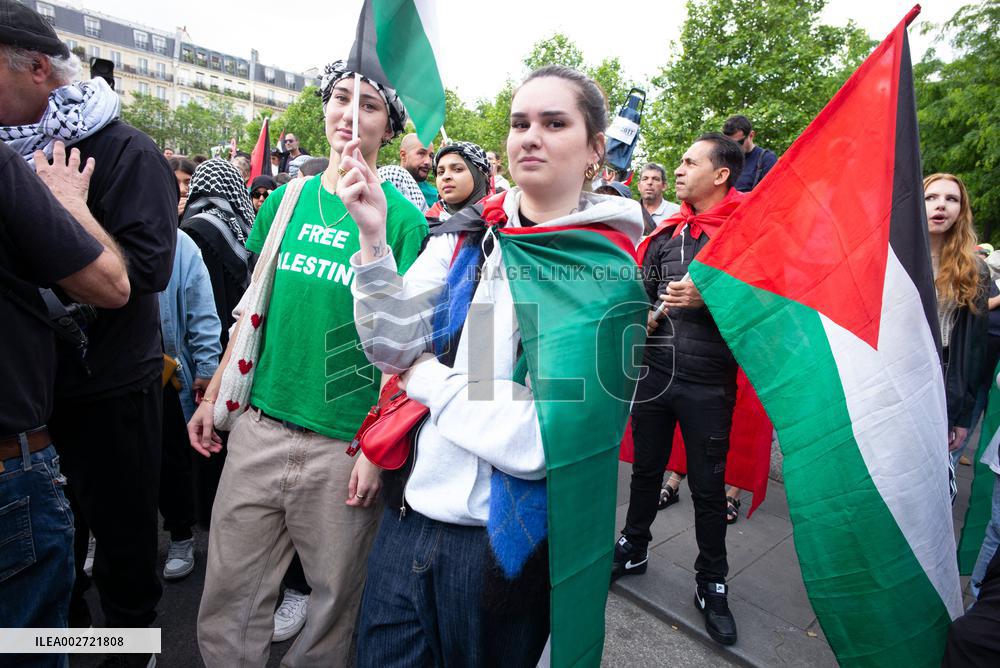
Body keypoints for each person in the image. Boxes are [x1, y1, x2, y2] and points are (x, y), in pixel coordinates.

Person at [347, 64, 645, 666]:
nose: (530, 135)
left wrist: (426, 378)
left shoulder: (608, 278)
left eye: (554, 123)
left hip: (498, 554)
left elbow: (540, 442)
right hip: (406, 523)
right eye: (520, 122)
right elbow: (389, 347)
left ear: (594, 151)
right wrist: (374, 242)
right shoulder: (465, 234)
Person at [187, 59, 426, 666]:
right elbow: (253, 310)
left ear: (389, 127)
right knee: (228, 596)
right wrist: (216, 393)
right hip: (260, 428)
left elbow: (404, 349)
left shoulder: (403, 220)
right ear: (323, 110)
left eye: (368, 105)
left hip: (344, 448)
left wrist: (377, 449)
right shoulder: (285, 202)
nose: (350, 114)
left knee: (331, 612)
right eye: (340, 98)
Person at [0, 8, 178, 662]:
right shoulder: (7, 155)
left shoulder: (124, 149)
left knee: (124, 556)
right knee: (57, 560)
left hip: (112, 393)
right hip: (34, 408)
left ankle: (134, 651)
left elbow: (148, 271)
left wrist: (69, 209)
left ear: (37, 66)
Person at [0, 138, 130, 667]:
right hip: (12, 463)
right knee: (30, 643)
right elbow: (114, 283)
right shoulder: (7, 169)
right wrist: (69, 204)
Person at [614, 133, 745, 647]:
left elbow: (765, 308)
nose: (680, 169)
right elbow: (641, 297)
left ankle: (711, 582)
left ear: (721, 175)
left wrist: (711, 296)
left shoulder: (744, 237)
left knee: (709, 490)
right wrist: (642, 318)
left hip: (709, 385)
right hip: (654, 378)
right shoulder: (667, 235)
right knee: (645, 472)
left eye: (691, 162)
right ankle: (633, 547)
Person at [180, 159, 257, 527]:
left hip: (208, 349)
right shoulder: (235, 228)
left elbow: (200, 304)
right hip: (238, 341)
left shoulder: (194, 229)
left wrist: (207, 364)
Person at [158, 227, 221, 581]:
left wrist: (207, 367)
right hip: (106, 376)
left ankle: (180, 535)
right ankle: (93, 535)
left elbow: (202, 311)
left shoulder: (180, 245)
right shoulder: (82, 230)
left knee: (172, 460)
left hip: (166, 372)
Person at [424, 141, 491, 223]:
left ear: (478, 174)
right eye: (440, 172)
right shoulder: (426, 224)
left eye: (458, 169)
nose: (445, 177)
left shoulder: (501, 220)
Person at [722, 115, 777, 192]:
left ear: (751, 135)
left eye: (739, 143)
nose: (734, 147)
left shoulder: (767, 159)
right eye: (729, 143)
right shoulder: (724, 160)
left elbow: (772, 192)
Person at [638, 162, 680, 228]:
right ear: (639, 186)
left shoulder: (677, 213)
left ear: (664, 186)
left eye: (655, 179)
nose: (649, 182)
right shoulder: (630, 211)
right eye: (645, 179)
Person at [399, 132, 436, 208]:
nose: (428, 162)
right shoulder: (384, 184)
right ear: (403, 155)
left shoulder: (436, 196)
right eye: (421, 153)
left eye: (431, 156)